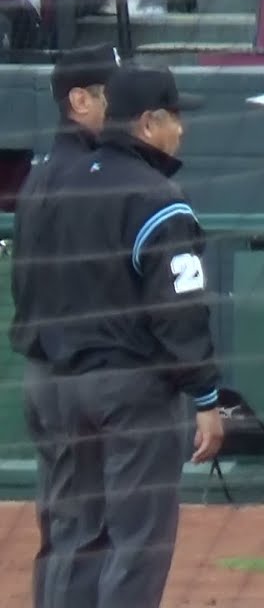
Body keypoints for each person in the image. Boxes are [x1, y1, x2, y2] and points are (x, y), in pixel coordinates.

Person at [16, 63, 226, 608]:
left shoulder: (54, 182)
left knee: (74, 536)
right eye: (174, 117)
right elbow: (179, 311)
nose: (181, 129)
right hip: (130, 389)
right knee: (137, 542)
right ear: (147, 124)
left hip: (55, 381)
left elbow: (27, 285)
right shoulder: (156, 196)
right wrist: (206, 395)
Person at [10, 44, 119, 608]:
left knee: (61, 523)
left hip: (42, 371)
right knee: (86, 526)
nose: (119, 107)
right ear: (79, 100)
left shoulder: (39, 178)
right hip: (78, 370)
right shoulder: (92, 178)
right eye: (109, 95)